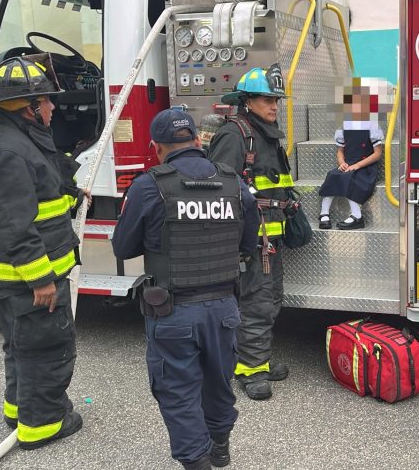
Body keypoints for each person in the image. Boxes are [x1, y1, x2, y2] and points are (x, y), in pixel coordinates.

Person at [112, 108, 259, 469]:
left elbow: (123, 248)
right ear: (196, 140)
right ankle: (219, 446)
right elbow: (248, 243)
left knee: (178, 392)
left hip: (173, 311)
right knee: (218, 383)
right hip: (224, 307)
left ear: (156, 147)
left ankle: (196, 461)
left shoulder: (148, 185)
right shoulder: (233, 182)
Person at [0, 54, 86, 449]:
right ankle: (43, 425)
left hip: (11, 280)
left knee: (21, 347)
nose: (53, 107)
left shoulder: (16, 137)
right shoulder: (9, 152)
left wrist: (71, 191)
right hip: (25, 281)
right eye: (46, 100)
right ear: (27, 107)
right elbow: (14, 225)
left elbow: (41, 184)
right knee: (47, 350)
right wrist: (41, 280)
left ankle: (19, 410)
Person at [206, 64, 293, 401]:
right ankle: (249, 368)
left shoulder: (265, 134)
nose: (274, 106)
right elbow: (221, 191)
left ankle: (259, 359)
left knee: (270, 300)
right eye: (267, 100)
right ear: (248, 101)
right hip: (251, 240)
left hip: (270, 239)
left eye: (276, 100)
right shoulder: (235, 135)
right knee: (256, 303)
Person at [318, 78, 385, 230]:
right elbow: (340, 151)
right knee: (332, 175)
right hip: (349, 164)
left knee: (349, 179)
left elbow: (377, 154)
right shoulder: (344, 126)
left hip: (365, 168)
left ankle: (357, 216)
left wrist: (357, 165)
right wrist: (342, 163)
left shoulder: (372, 125)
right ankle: (324, 213)